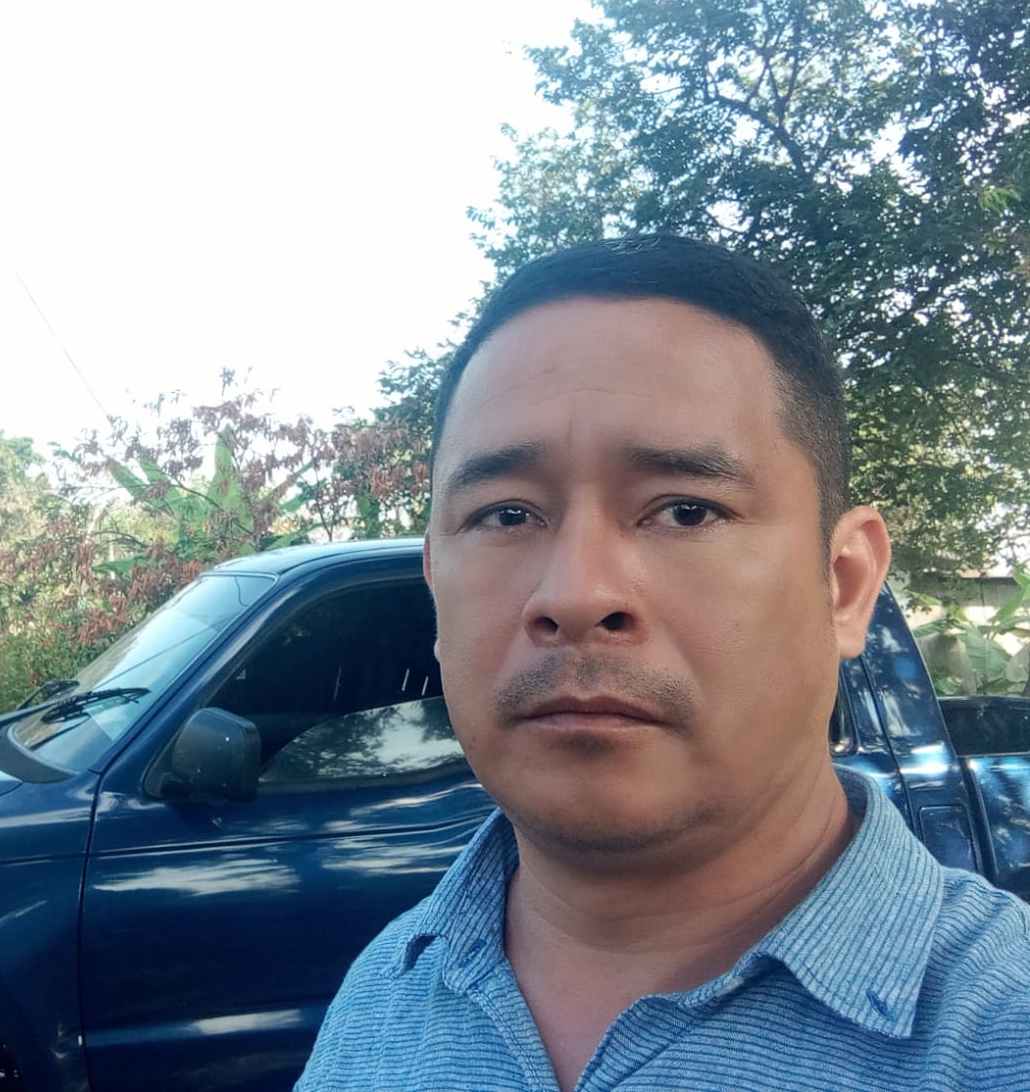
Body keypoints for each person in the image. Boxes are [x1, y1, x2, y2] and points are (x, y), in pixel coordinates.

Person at [296, 235, 1030, 1092]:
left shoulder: (1000, 1033)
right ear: (435, 584)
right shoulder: (383, 997)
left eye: (685, 510)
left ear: (843, 584)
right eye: (505, 515)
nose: (575, 593)